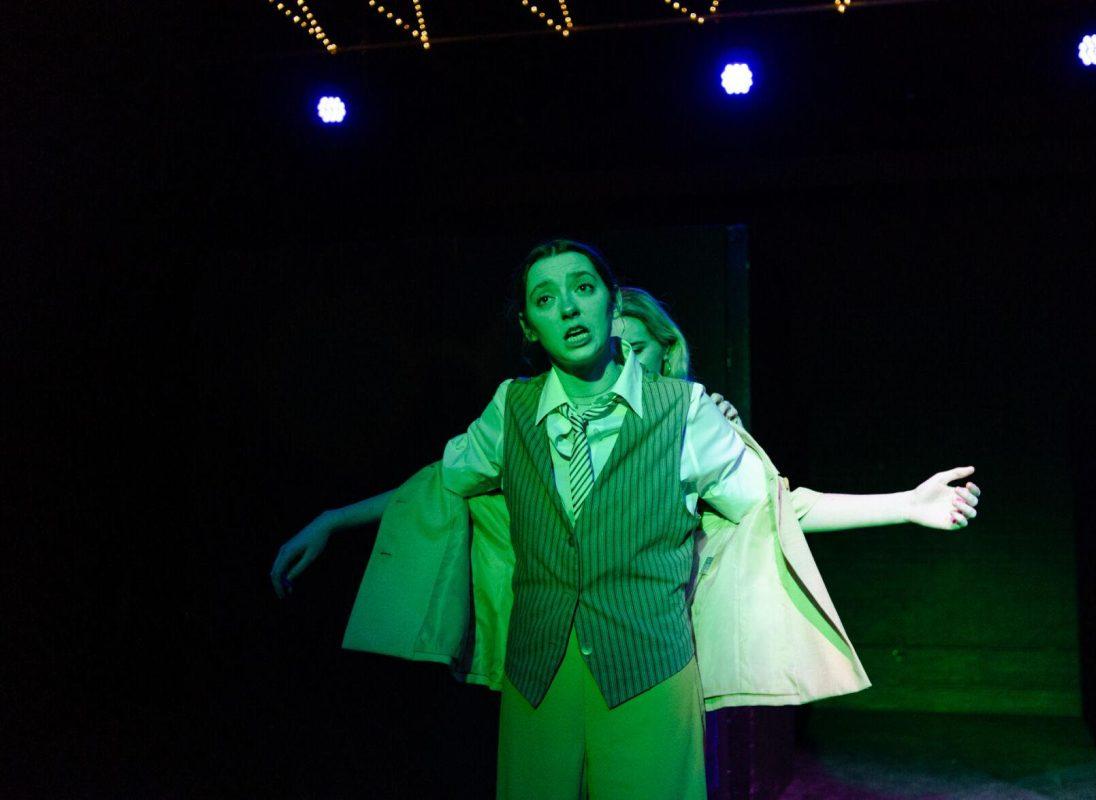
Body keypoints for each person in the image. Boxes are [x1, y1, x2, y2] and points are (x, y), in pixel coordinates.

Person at [271, 239, 982, 799]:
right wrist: (334, 518)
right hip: (538, 671)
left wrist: (906, 505)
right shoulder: (509, 411)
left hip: (648, 668)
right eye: (546, 299)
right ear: (528, 324)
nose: (569, 309)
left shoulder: (686, 414)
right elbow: (434, 488)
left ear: (613, 304)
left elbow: (775, 509)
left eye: (583, 290)